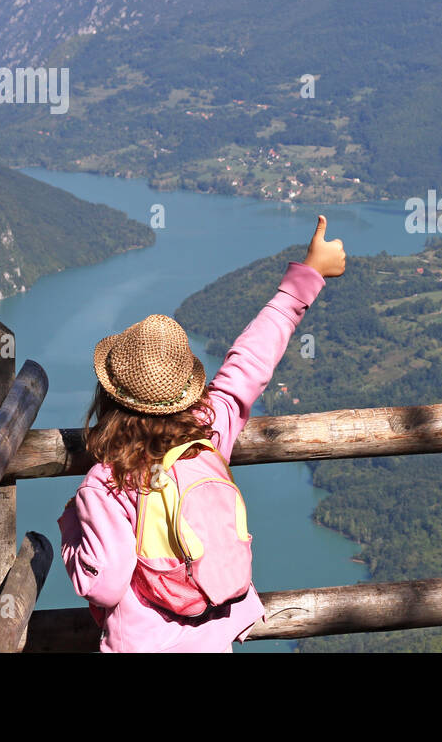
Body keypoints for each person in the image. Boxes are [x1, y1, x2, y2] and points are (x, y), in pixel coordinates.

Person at [57, 215, 346, 652]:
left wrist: (72, 537)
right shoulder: (208, 434)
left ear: (110, 400)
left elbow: (105, 584)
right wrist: (307, 276)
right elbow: (250, 363)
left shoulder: (109, 482)